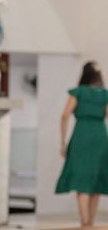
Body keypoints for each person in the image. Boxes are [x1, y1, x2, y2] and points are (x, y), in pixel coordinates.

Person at [56, 61, 108, 227]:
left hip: (81, 135)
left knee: (82, 180)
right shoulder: (104, 95)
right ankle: (91, 222)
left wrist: (63, 142)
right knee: (96, 182)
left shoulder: (78, 93)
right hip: (99, 135)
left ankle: (84, 222)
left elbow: (64, 116)